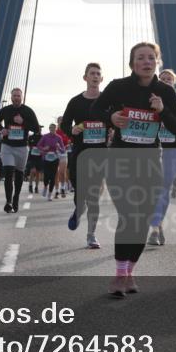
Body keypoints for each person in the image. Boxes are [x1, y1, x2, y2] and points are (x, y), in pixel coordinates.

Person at [92, 42, 176, 297]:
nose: (146, 61)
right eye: (140, 58)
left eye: (151, 57)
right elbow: (95, 110)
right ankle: (120, 275)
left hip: (150, 162)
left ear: (158, 62)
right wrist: (111, 118)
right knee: (127, 215)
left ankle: (130, 270)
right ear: (132, 63)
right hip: (120, 160)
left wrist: (163, 111)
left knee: (142, 219)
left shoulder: (165, 91)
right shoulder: (118, 87)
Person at [61, 62, 108, 248]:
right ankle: (78, 210)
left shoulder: (107, 101)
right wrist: (72, 129)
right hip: (80, 153)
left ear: (101, 79)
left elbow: (117, 120)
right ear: (85, 77)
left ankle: (91, 235)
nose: (95, 76)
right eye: (92, 73)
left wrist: (112, 129)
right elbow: (64, 124)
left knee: (93, 197)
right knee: (80, 196)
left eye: (98, 74)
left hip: (100, 154)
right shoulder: (75, 101)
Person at [148, 69, 176, 246]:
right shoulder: (148, 100)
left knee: (164, 189)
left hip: (172, 150)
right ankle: (155, 227)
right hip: (153, 149)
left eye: (169, 79)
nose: (165, 82)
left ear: (174, 82)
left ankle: (157, 224)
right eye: (162, 79)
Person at [0, 88, 40, 213]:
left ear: (22, 97)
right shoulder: (6, 110)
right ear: (11, 97)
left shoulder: (28, 111)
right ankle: (8, 202)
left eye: (18, 96)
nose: (16, 98)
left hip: (22, 147)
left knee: (19, 174)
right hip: (7, 146)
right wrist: (1, 129)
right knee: (8, 172)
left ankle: (16, 198)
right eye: (14, 95)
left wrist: (23, 122)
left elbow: (36, 129)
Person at [37, 122, 66, 200]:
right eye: (51, 128)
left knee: (53, 177)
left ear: (55, 129)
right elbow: (38, 145)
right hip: (46, 158)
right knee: (46, 176)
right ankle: (45, 187)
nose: (52, 129)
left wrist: (59, 147)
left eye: (53, 128)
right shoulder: (45, 136)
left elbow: (63, 150)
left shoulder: (58, 137)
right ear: (49, 129)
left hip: (55, 158)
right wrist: (44, 149)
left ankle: (49, 194)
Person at [54, 118, 71, 198]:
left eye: (62, 121)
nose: (61, 122)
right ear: (57, 122)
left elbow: (69, 141)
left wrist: (67, 145)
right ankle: (57, 190)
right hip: (55, 154)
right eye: (59, 121)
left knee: (62, 171)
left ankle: (63, 188)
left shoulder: (66, 132)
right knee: (55, 172)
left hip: (63, 153)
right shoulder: (55, 132)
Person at [26, 128, 43, 194]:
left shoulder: (42, 137)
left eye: (40, 129)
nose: (39, 130)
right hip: (32, 157)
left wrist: (41, 149)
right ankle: (30, 185)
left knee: (38, 173)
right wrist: (31, 147)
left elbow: (44, 145)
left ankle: (36, 187)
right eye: (38, 129)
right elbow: (27, 144)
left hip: (39, 157)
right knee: (32, 171)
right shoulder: (31, 137)